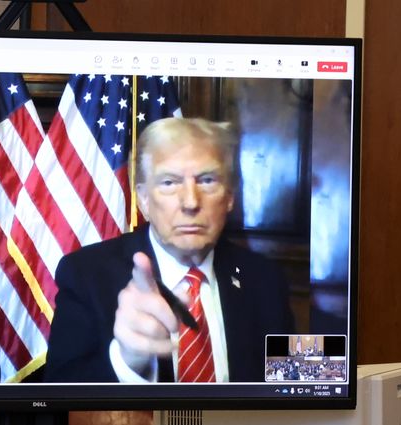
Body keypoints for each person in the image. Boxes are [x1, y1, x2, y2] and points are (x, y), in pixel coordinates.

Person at [45, 117, 295, 383]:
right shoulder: (86, 274)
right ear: (143, 199)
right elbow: (59, 394)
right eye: (169, 182)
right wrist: (127, 361)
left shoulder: (266, 278)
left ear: (230, 197)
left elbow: (291, 388)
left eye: (207, 180)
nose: (190, 202)